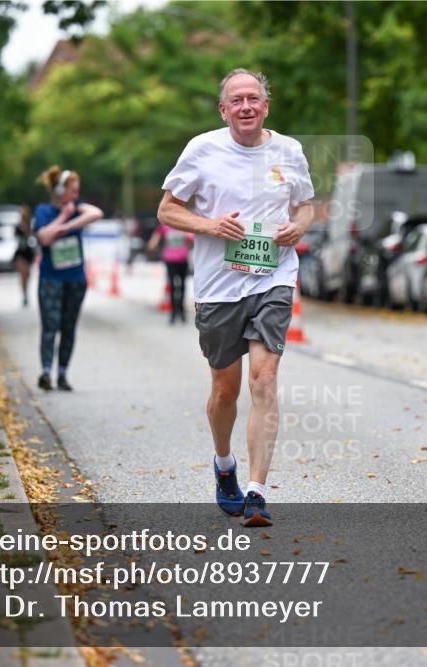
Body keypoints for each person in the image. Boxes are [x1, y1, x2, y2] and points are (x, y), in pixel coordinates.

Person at [158, 69, 315, 527]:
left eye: (254, 99)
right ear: (224, 110)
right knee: (224, 390)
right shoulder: (202, 149)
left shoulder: (289, 151)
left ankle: (256, 491)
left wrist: (300, 226)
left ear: (266, 106)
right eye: (236, 101)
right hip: (218, 287)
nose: (246, 106)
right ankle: (224, 464)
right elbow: (167, 209)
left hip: (273, 277)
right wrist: (211, 226)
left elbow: (305, 204)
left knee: (263, 380)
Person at [33, 166, 103, 391]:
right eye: (72, 191)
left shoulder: (77, 208)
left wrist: (68, 224)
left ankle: (62, 373)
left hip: (75, 279)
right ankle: (45, 371)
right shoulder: (43, 211)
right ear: (60, 190)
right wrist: (63, 218)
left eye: (77, 192)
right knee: (49, 325)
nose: (75, 196)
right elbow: (43, 238)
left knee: (68, 327)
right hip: (50, 278)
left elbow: (96, 213)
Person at [147, 222, 193, 324]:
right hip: (170, 260)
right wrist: (152, 244)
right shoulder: (165, 227)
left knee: (182, 286)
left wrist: (188, 240)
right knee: (172, 286)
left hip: (182, 259)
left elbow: (191, 239)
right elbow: (156, 237)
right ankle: (173, 313)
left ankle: (182, 311)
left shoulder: (184, 225)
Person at [14, 206, 38, 307]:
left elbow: (33, 237)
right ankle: (24, 295)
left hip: (29, 252)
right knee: (22, 274)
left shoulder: (31, 226)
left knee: (27, 275)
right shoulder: (18, 226)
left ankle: (26, 292)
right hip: (21, 252)